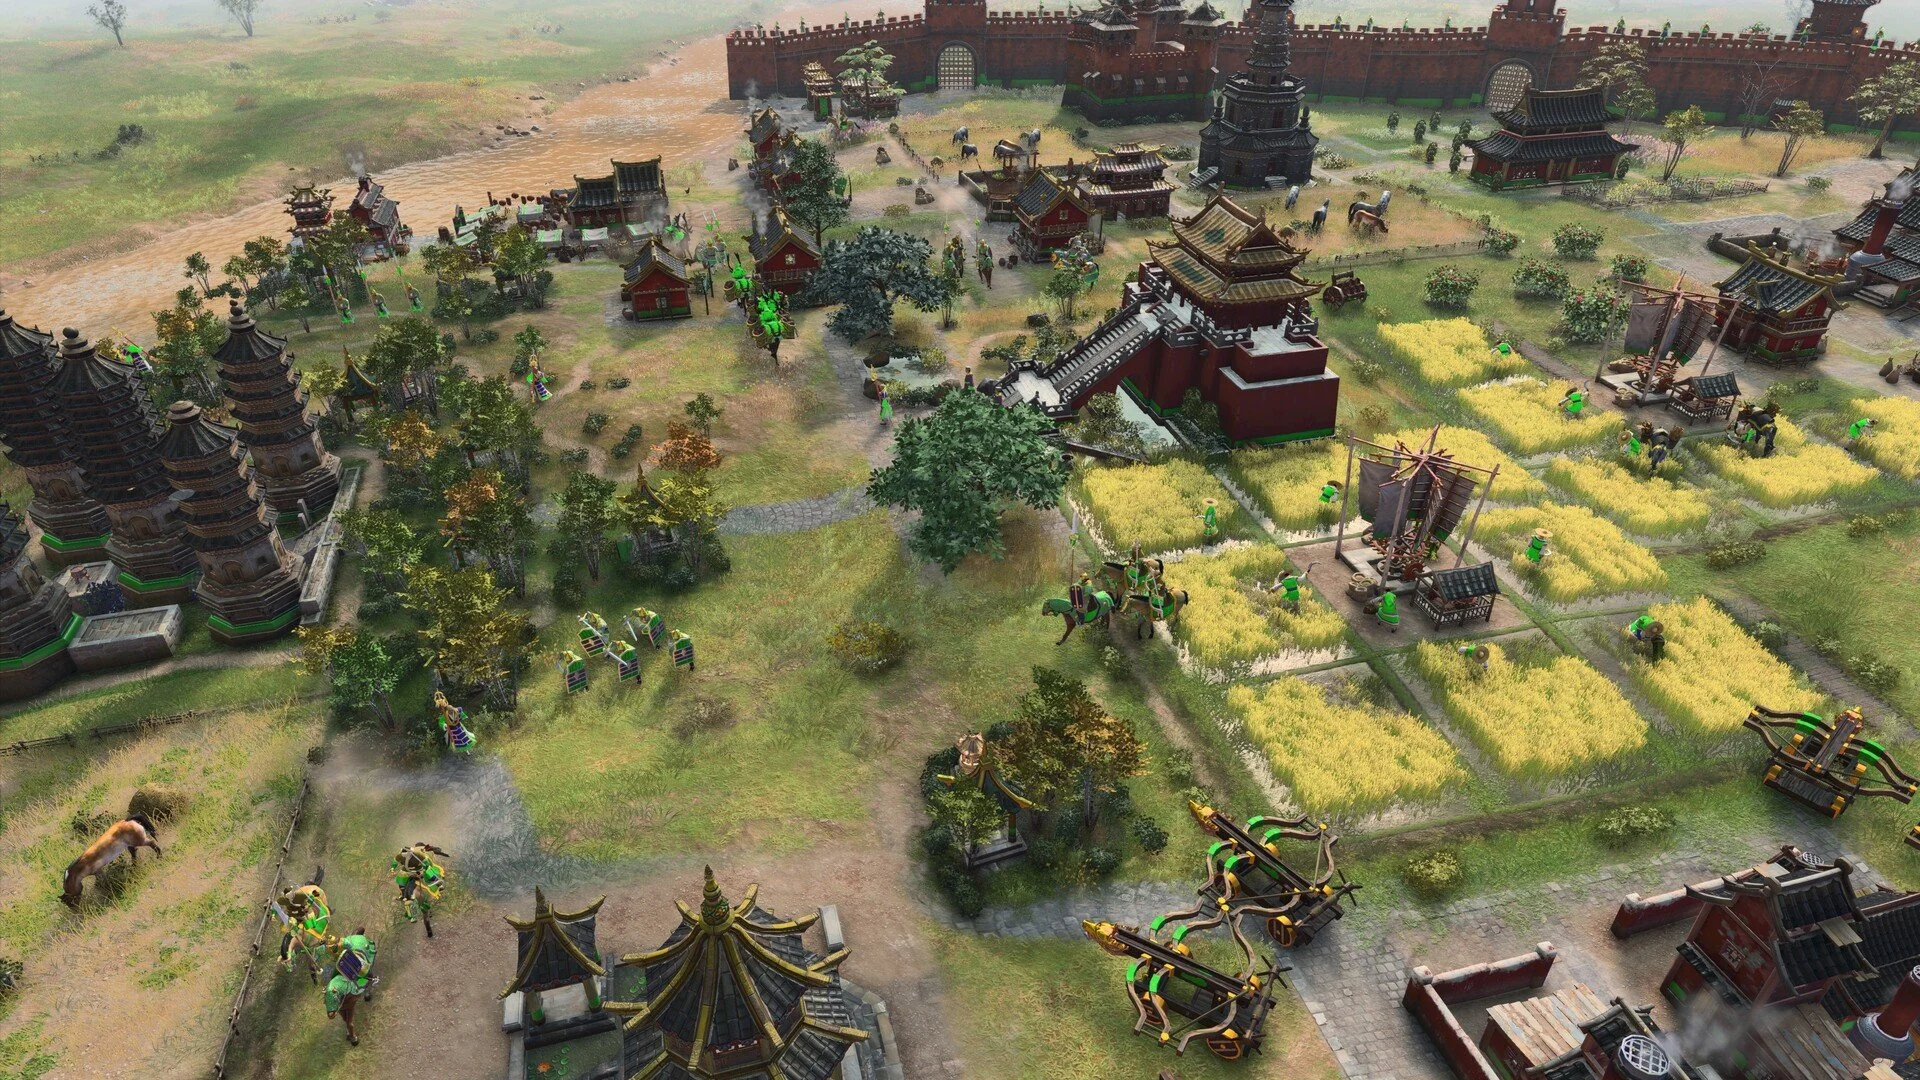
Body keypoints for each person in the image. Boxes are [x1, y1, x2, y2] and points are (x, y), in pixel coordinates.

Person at [325, 929, 377, 1046]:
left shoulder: (342, 942)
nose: (332, 948)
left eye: (333, 946)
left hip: (352, 958)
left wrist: (343, 946)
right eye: (330, 947)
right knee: (328, 976)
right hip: (339, 965)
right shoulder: (329, 948)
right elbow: (330, 957)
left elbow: (348, 947)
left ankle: (370, 985)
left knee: (364, 973)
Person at [392, 843, 451, 937]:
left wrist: (425, 867)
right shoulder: (403, 856)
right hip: (411, 872)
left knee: (428, 872)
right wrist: (392, 868)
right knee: (402, 878)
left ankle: (437, 882)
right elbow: (395, 862)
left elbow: (428, 862)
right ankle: (403, 894)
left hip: (419, 870)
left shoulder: (420, 853)